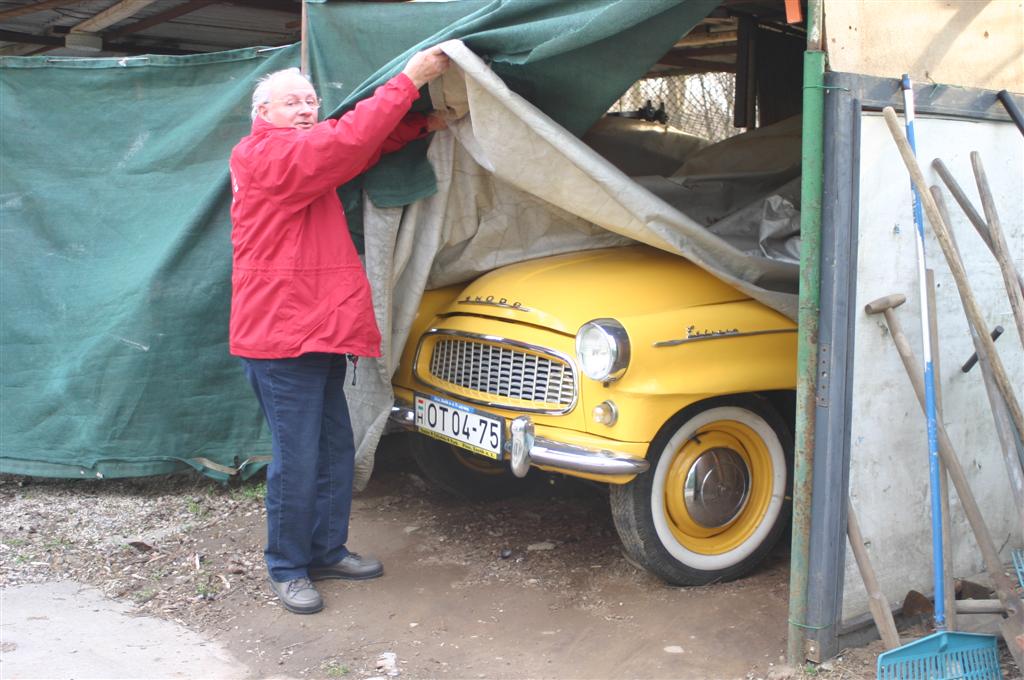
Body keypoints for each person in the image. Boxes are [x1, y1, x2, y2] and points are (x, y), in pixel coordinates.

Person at [228, 47, 450, 614]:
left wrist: (421, 124)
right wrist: (408, 81)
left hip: (320, 327)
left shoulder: (306, 154)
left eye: (310, 100)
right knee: (297, 457)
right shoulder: (261, 155)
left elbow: (358, 147)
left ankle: (326, 550)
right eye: (290, 102)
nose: (304, 108)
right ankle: (287, 566)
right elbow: (343, 143)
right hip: (281, 335)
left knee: (332, 449)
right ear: (264, 112)